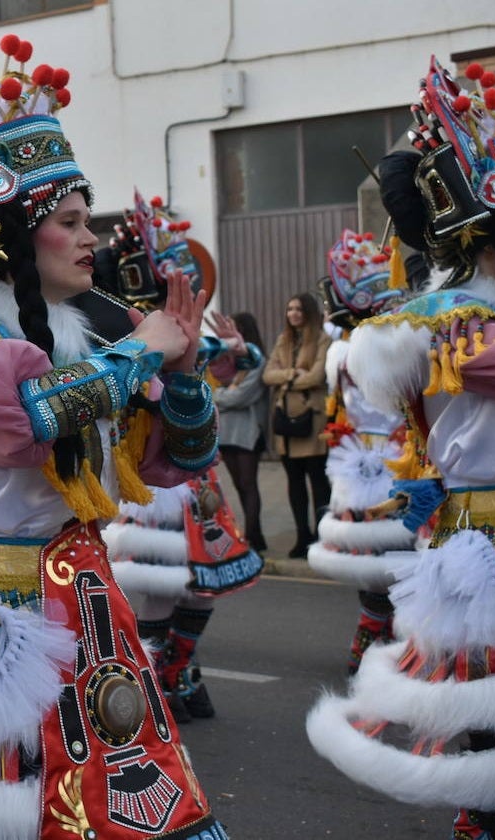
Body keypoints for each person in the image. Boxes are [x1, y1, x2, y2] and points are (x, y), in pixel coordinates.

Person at [0, 41, 227, 838]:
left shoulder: (98, 330)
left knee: (121, 796)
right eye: (69, 222)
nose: (90, 237)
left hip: (88, 592)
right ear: (13, 238)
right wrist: (144, 352)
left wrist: (189, 370)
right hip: (7, 596)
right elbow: (21, 425)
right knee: (8, 808)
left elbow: (182, 460)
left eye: (86, 219)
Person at [307, 56, 495, 838]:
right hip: (494, 538)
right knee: (494, 714)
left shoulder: (443, 317)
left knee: (494, 710)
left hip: (474, 532)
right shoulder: (458, 323)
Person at [99, 190, 263, 725]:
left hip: (196, 478)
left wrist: (237, 349)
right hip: (154, 482)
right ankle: (146, 686)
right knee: (158, 592)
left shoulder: (183, 335)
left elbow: (244, 358)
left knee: (203, 588)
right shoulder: (129, 336)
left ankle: (179, 669)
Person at [306, 229, 417, 674]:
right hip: (393, 461)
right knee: (399, 561)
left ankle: (369, 645)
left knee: (379, 563)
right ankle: (383, 648)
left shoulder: (340, 350)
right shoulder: (384, 350)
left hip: (358, 461)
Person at [262, 290, 332, 557]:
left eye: (299, 310)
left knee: (317, 480)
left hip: (311, 420)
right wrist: (291, 374)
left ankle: (322, 534)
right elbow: (268, 375)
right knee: (294, 481)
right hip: (285, 422)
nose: (293, 314)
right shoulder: (284, 340)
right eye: (290, 309)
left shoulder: (322, 340)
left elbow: (316, 376)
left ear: (309, 313)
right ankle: (302, 534)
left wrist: (287, 380)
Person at [213, 311, 269, 552]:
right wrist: (225, 390)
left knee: (248, 484)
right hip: (226, 432)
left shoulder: (256, 361)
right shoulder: (225, 361)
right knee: (238, 486)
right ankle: (254, 537)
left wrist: (216, 395)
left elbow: (240, 396)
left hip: (247, 432)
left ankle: (253, 536)